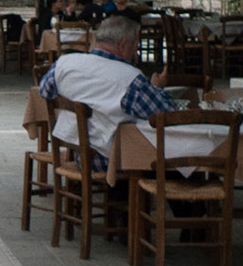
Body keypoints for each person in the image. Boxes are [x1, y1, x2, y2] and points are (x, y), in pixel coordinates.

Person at [37, 13, 173, 166]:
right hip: (112, 158)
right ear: (123, 44)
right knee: (172, 155)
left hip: (77, 150)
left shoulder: (64, 63)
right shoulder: (130, 79)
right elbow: (166, 114)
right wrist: (157, 87)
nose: (136, 51)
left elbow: (45, 91)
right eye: (135, 45)